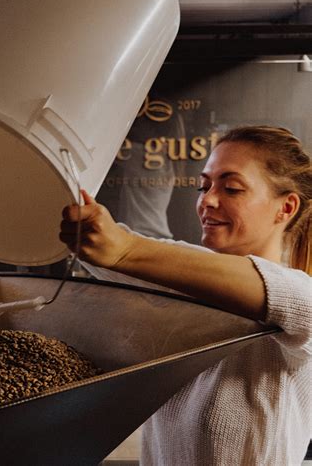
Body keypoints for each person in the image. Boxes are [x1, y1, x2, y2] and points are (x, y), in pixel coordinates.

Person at [59, 125, 311, 465]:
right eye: (203, 186)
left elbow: (280, 292)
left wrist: (123, 250)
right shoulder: (180, 279)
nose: (207, 199)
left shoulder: (301, 295)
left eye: (231, 188)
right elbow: (112, 244)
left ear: (286, 207)